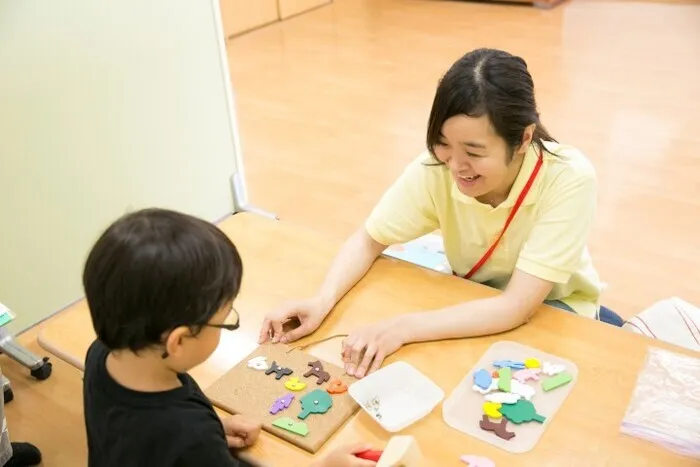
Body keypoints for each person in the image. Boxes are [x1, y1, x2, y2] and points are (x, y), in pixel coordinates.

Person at [259, 48, 624, 379]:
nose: (457, 166)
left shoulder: (567, 177)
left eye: (474, 152)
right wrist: (321, 300)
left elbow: (516, 306)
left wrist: (399, 328)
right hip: (472, 299)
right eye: (444, 144)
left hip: (552, 307)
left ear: (524, 139)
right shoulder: (436, 167)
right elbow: (369, 239)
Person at [81, 208, 377, 467]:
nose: (227, 323)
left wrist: (214, 428)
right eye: (224, 320)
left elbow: (143, 439)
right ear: (179, 342)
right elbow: (173, 436)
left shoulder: (104, 353)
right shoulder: (190, 436)